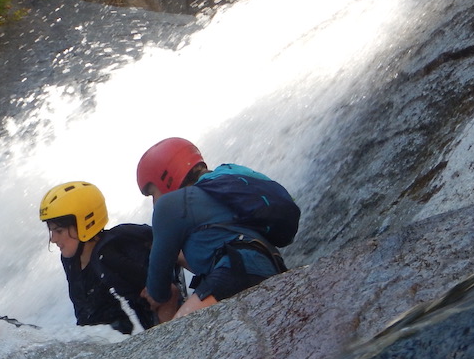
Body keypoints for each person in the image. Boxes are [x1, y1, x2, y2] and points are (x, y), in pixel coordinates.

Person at [136, 137, 296, 322]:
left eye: (152, 193)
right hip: (271, 267)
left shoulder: (170, 205)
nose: (154, 202)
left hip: (235, 273)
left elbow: (158, 289)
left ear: (166, 178)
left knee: (183, 332)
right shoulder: (220, 192)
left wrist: (159, 294)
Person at [38, 180, 162, 333]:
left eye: (59, 231)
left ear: (85, 224)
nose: (53, 239)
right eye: (51, 231)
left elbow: (168, 293)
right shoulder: (70, 260)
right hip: (98, 339)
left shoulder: (111, 256)